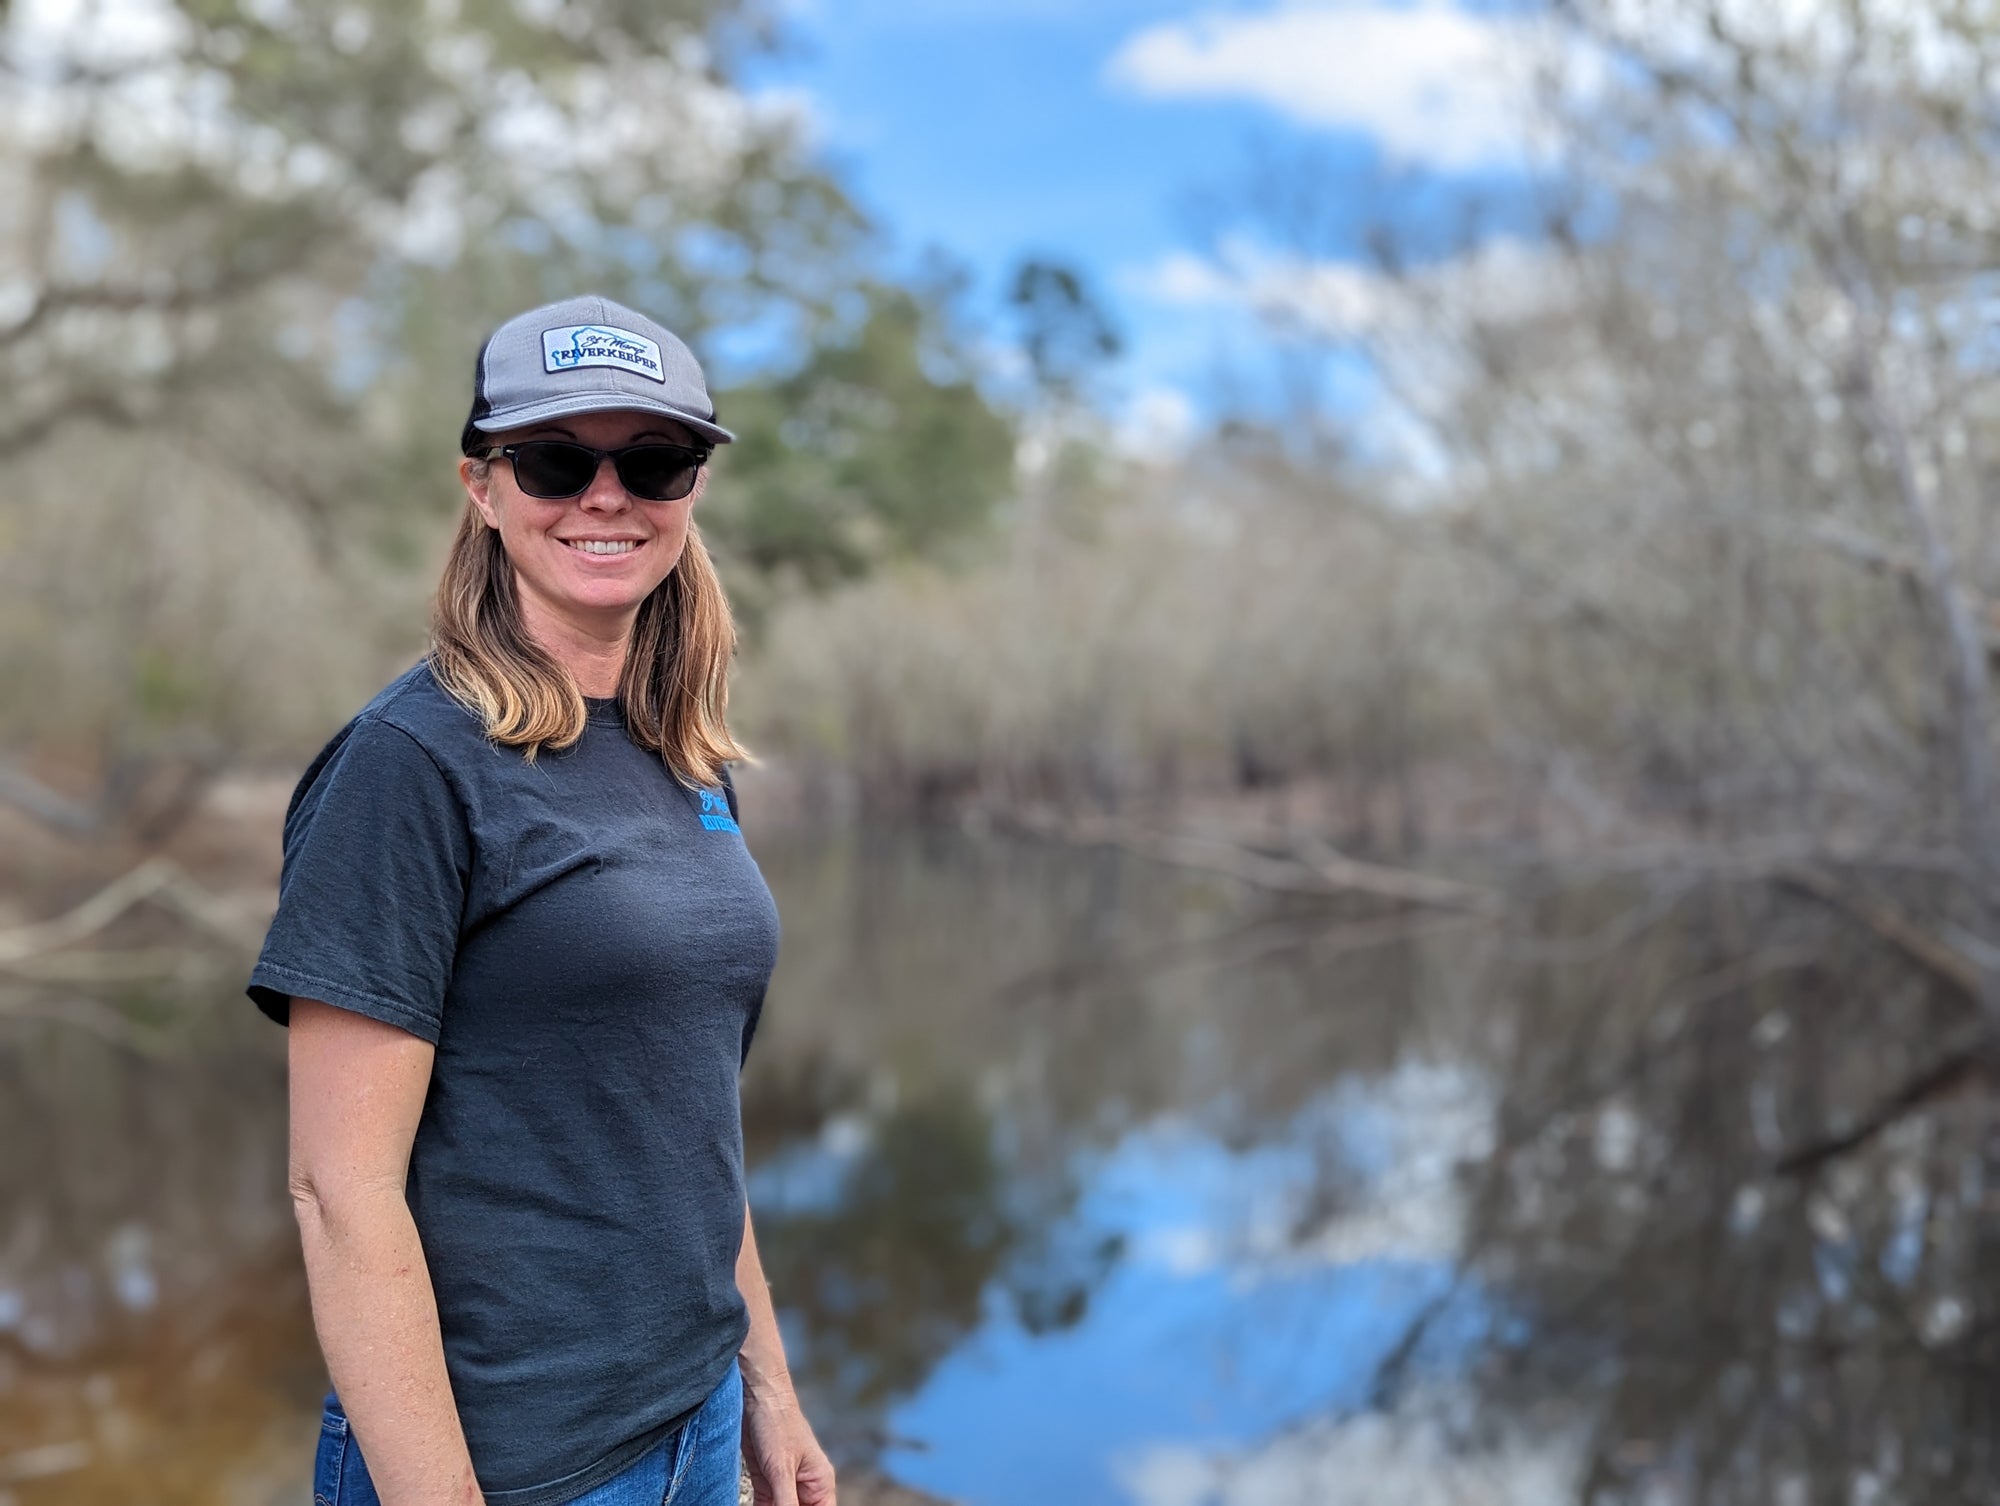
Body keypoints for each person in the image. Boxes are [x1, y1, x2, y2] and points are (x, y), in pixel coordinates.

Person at [245, 295, 836, 1506]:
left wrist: (765, 1386)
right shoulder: (407, 766)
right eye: (558, 460)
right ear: (483, 485)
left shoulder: (685, 754)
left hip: (693, 1415)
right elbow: (338, 1193)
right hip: (511, 1461)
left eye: (654, 460)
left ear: (692, 490)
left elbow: (685, 1118)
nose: (605, 496)